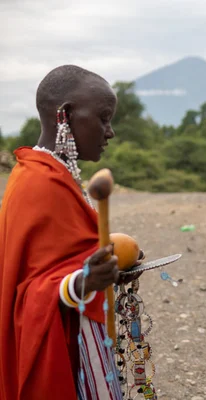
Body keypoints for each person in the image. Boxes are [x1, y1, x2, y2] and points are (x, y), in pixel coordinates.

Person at [0, 65, 138, 400]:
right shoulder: (38, 182)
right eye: (103, 118)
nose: (110, 132)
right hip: (64, 346)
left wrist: (110, 265)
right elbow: (27, 290)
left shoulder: (56, 176)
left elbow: (68, 257)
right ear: (65, 116)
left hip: (79, 335)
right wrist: (81, 282)